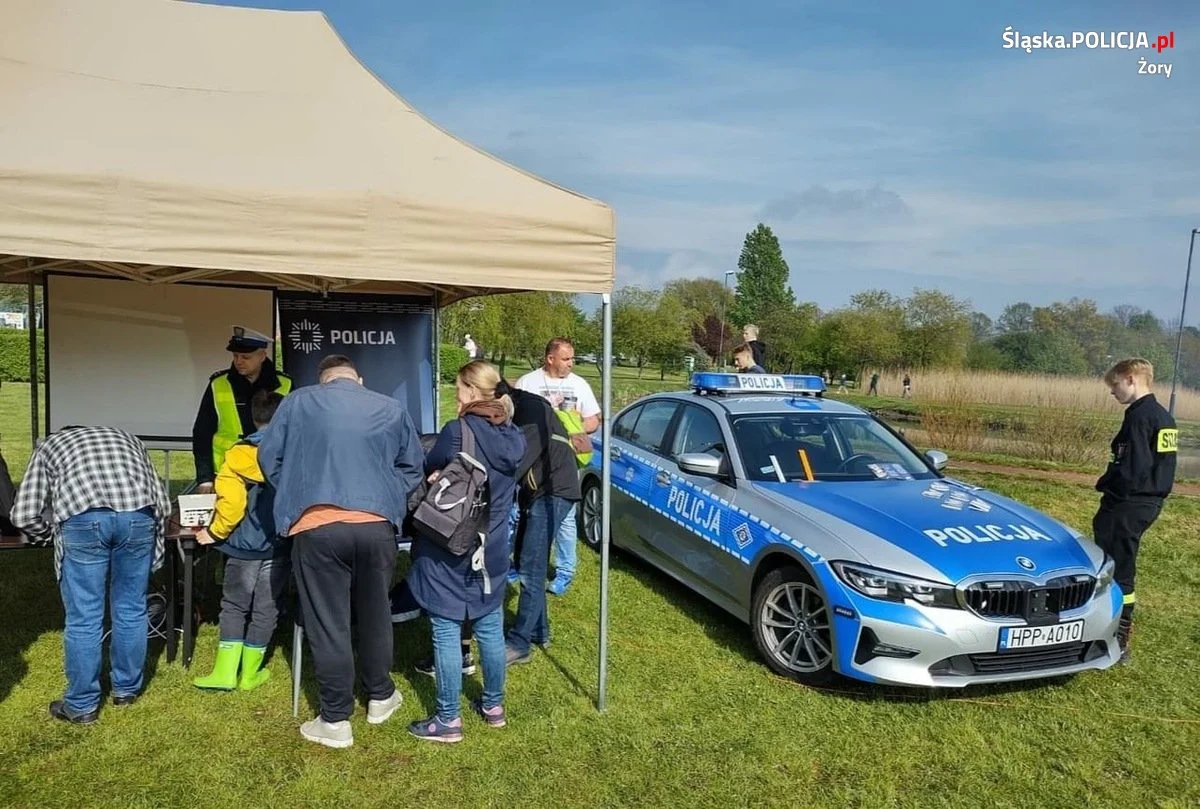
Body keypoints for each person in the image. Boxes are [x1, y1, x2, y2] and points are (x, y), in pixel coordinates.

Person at [258, 354, 424, 749]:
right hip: (376, 525)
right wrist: (384, 495)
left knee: (328, 621)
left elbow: (268, 457)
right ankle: (380, 696)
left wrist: (298, 492)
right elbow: (412, 468)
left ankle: (335, 719)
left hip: (317, 526)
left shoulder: (298, 402)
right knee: (375, 611)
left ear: (324, 379)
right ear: (358, 379)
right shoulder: (391, 407)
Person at [10, 426, 170, 725]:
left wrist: (50, 535)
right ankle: (126, 690)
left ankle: (82, 704)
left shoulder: (50, 444)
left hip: (83, 521)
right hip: (138, 518)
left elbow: (22, 515)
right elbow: (161, 502)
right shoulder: (129, 438)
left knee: (85, 617)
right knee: (132, 609)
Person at [406, 361, 525, 743]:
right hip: (492, 545)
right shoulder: (514, 434)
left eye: (458, 388)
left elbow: (431, 467)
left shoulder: (457, 432)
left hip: (450, 543)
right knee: (490, 625)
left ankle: (448, 719)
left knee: (445, 628)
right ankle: (493, 706)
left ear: (472, 391)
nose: (455, 394)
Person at [192, 390, 288, 692]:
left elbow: (232, 505)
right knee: (267, 605)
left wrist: (214, 532)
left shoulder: (237, 454)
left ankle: (224, 673)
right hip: (279, 543)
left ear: (253, 417)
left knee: (234, 604)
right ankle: (250, 674)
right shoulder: (293, 454)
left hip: (243, 545)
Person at [1092, 358, 1176, 662]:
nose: (1112, 392)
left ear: (1130, 379)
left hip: (1129, 503)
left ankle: (1119, 635)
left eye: (1114, 385)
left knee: (1118, 569)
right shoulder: (1162, 416)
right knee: (1120, 563)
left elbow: (1134, 467)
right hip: (1149, 501)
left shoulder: (1140, 417)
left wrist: (1111, 491)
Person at [515, 337, 600, 596]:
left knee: (563, 519)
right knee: (523, 511)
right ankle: (518, 564)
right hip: (531, 461)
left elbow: (593, 421)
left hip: (564, 462)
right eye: (566, 358)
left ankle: (565, 571)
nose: (571, 364)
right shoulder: (527, 383)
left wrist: (567, 426)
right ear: (550, 358)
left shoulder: (579, 385)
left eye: (572, 358)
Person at [505, 382, 580, 664]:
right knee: (529, 562)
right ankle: (539, 630)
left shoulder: (530, 411)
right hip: (539, 492)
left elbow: (514, 465)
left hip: (553, 493)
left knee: (529, 568)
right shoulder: (525, 406)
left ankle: (519, 643)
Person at [191, 326, 292, 494]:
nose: (239, 361)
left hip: (270, 474)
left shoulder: (285, 384)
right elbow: (202, 432)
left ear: (262, 356)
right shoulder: (219, 383)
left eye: (246, 357)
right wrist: (205, 479)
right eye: (235, 356)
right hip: (227, 473)